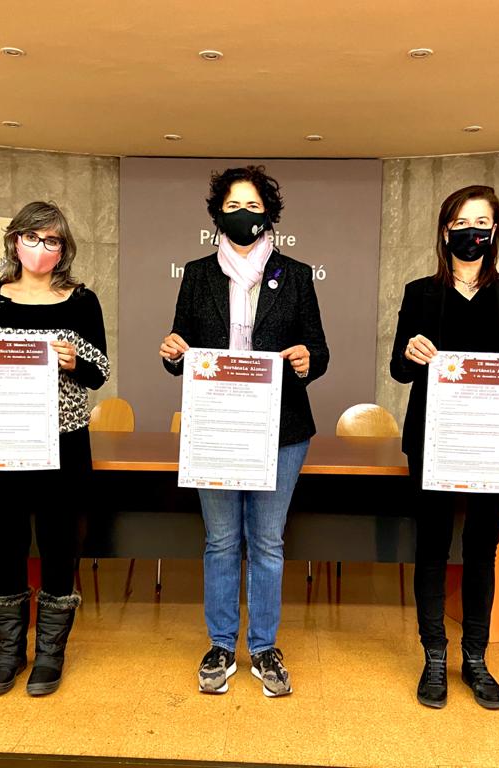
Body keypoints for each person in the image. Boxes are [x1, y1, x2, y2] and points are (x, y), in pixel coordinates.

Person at [159, 166, 328, 697]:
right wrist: (173, 352)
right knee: (221, 541)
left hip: (283, 429)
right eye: (233, 206)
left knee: (268, 542)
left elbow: (318, 351)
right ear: (218, 214)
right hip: (215, 426)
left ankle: (263, 646)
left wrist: (306, 359)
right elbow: (180, 348)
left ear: (268, 214)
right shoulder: (198, 274)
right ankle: (219, 643)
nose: (243, 215)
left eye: (253, 206)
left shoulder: (295, 275)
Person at [389, 185, 499, 710]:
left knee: (483, 548)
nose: (472, 231)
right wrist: (412, 353)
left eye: (482, 222)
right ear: (445, 231)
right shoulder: (420, 292)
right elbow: (398, 369)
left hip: (494, 437)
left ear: (495, 231)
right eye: (461, 222)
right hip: (434, 438)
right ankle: (434, 656)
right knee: (433, 547)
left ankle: (476, 658)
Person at [0, 201, 109, 696]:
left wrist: (74, 360)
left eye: (52, 240)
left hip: (62, 442)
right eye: (32, 238)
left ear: (64, 248)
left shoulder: (82, 301)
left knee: (59, 545)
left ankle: (51, 654)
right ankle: (8, 654)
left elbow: (99, 372)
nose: (41, 248)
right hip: (5, 438)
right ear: (15, 241)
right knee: (9, 544)